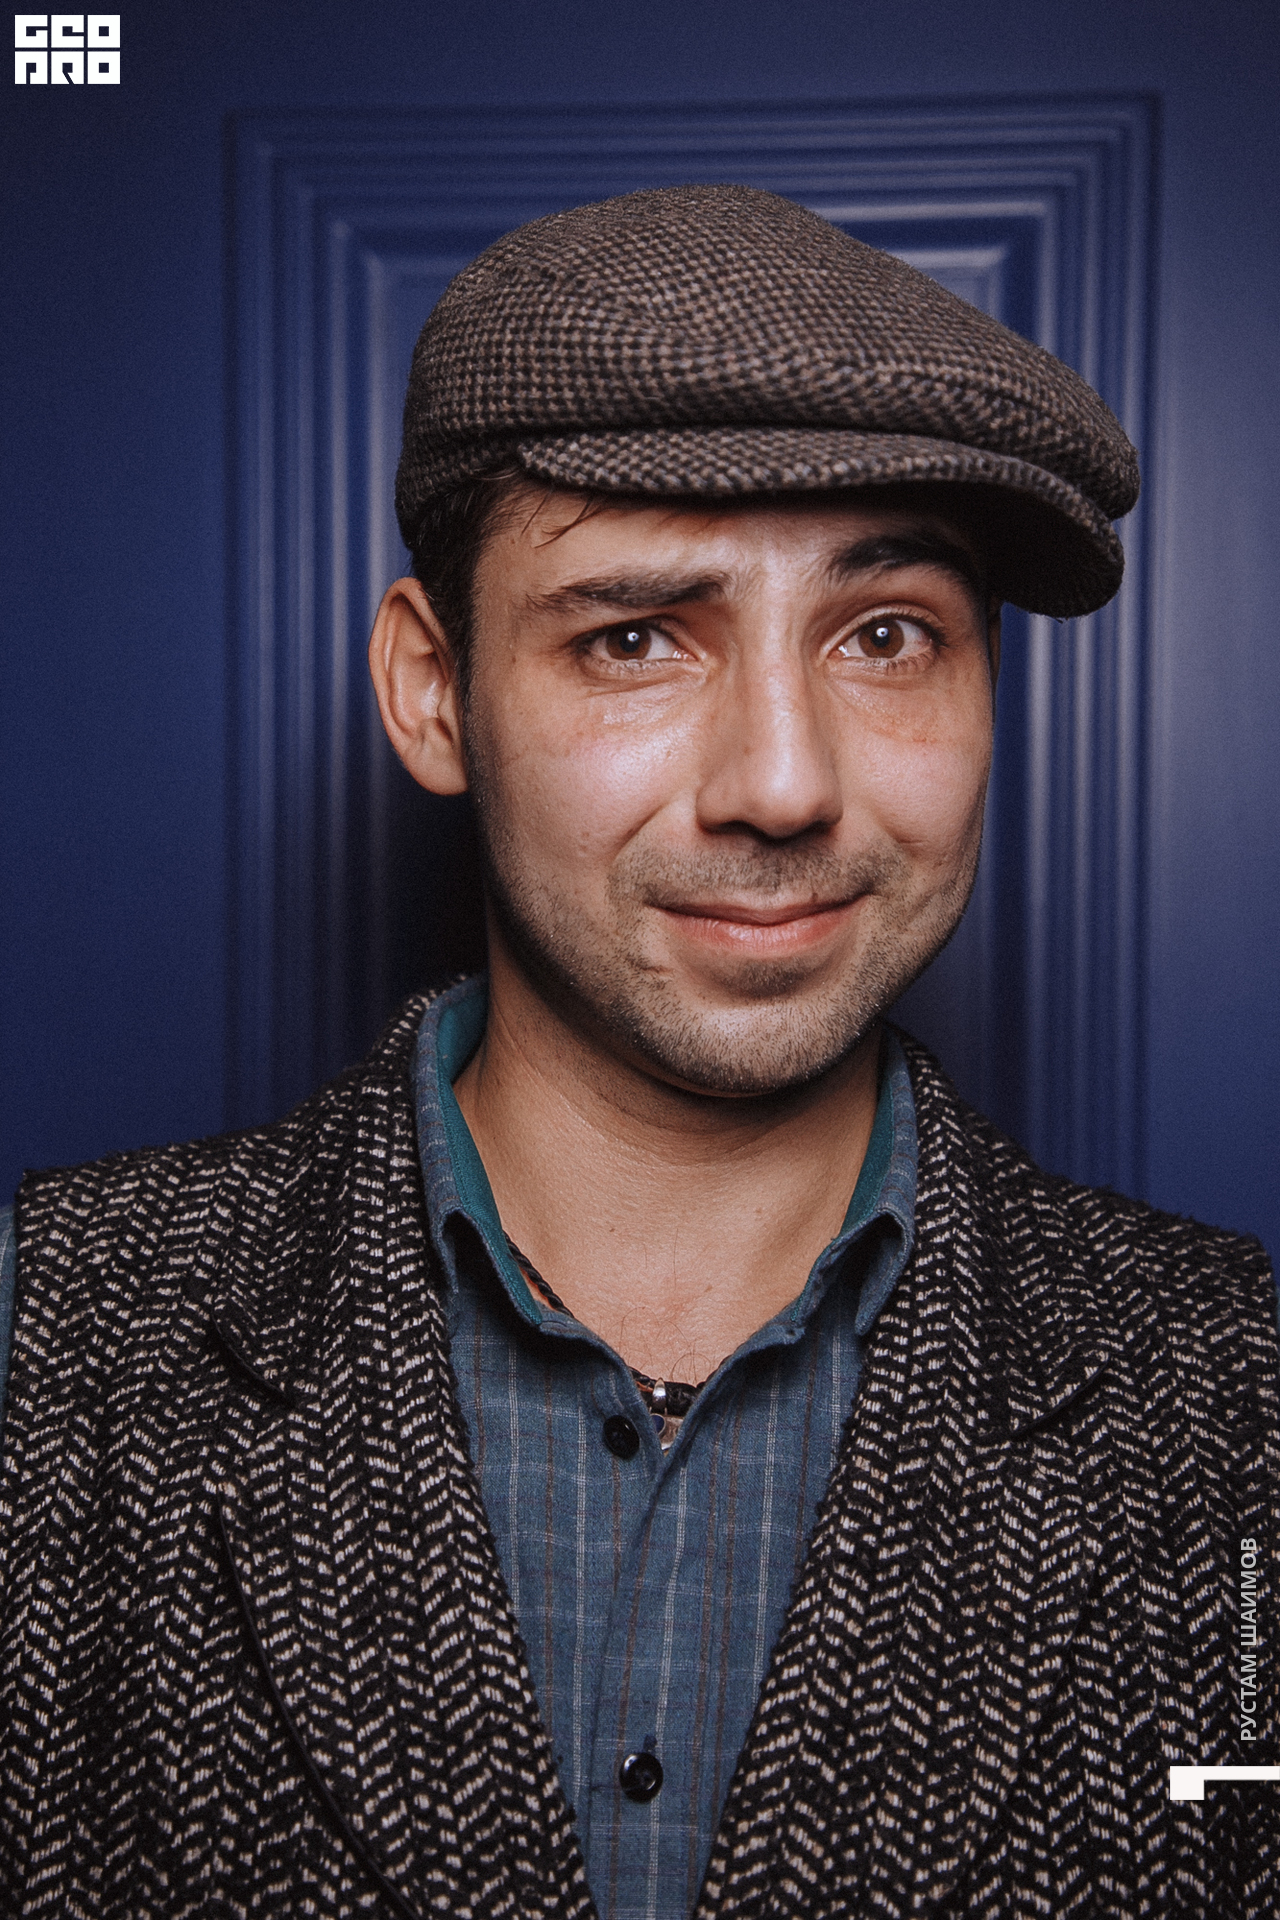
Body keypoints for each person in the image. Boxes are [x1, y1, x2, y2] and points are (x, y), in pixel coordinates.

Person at [0, 186, 1275, 1919]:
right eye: (635, 638)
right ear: (434, 691)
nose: (783, 784)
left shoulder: (1233, 1395)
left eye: (887, 633)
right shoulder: (56, 1342)